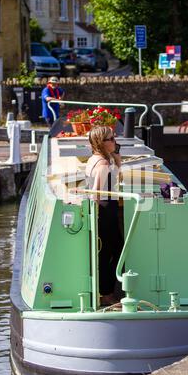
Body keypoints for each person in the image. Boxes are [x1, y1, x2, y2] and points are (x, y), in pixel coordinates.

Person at [85, 126, 123, 307]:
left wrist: (116, 159)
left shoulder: (95, 159)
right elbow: (96, 193)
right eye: (111, 139)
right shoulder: (103, 165)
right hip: (106, 212)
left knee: (110, 252)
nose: (115, 141)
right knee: (113, 253)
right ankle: (107, 294)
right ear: (102, 142)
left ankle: (105, 291)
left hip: (106, 210)